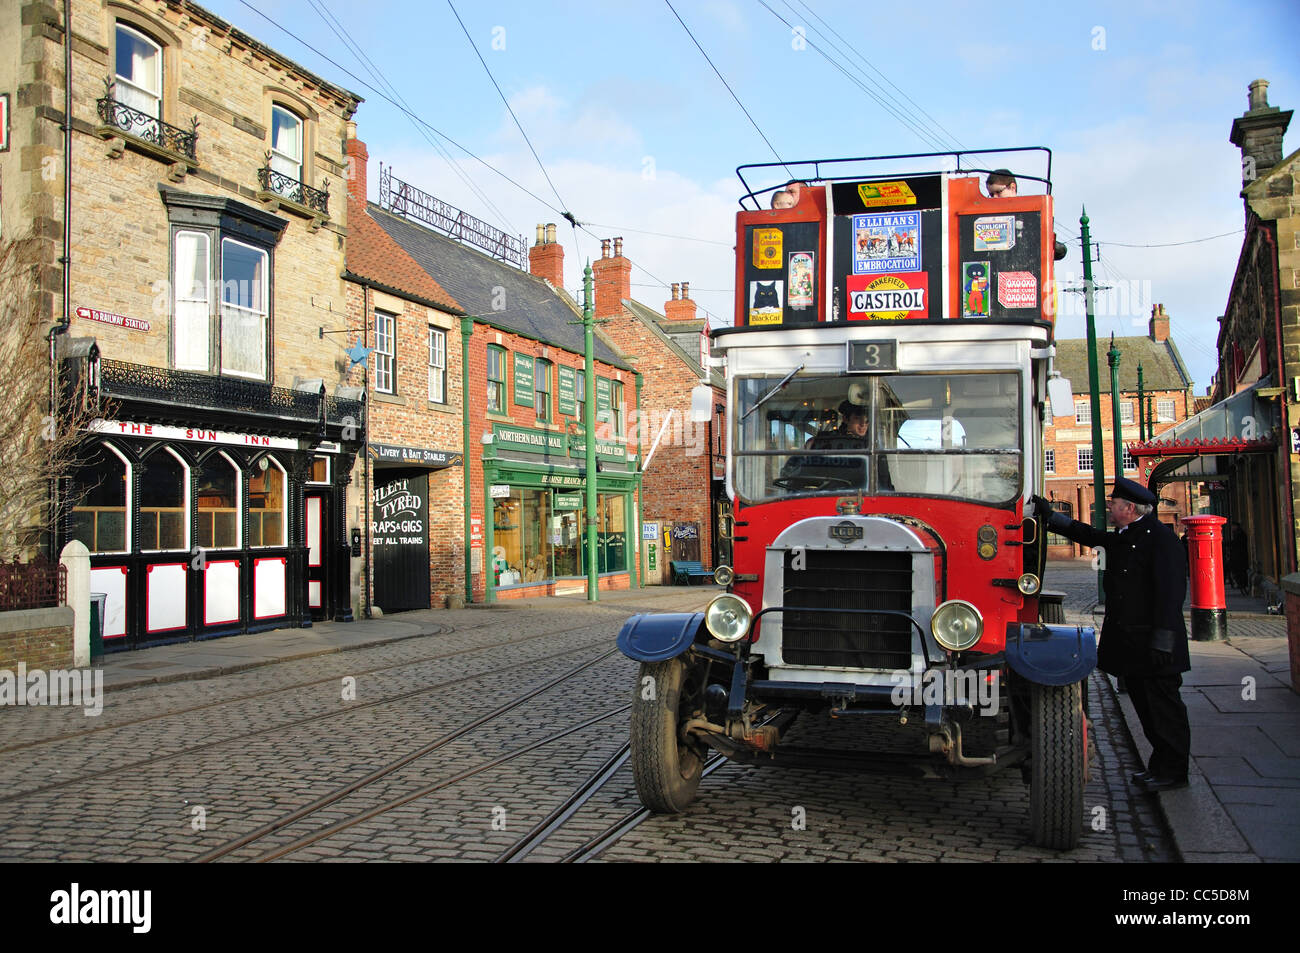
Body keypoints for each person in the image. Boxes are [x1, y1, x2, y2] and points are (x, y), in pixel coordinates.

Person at [1032, 479, 1191, 791]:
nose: (1110, 508)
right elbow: (1091, 536)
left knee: (1164, 710)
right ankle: (1159, 766)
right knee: (1146, 709)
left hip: (1156, 646)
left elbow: (1171, 594)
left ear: (1130, 509)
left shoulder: (1161, 540)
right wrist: (1053, 518)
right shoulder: (1128, 535)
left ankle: (1174, 771)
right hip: (1134, 645)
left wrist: (1163, 638)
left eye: (1114, 504)